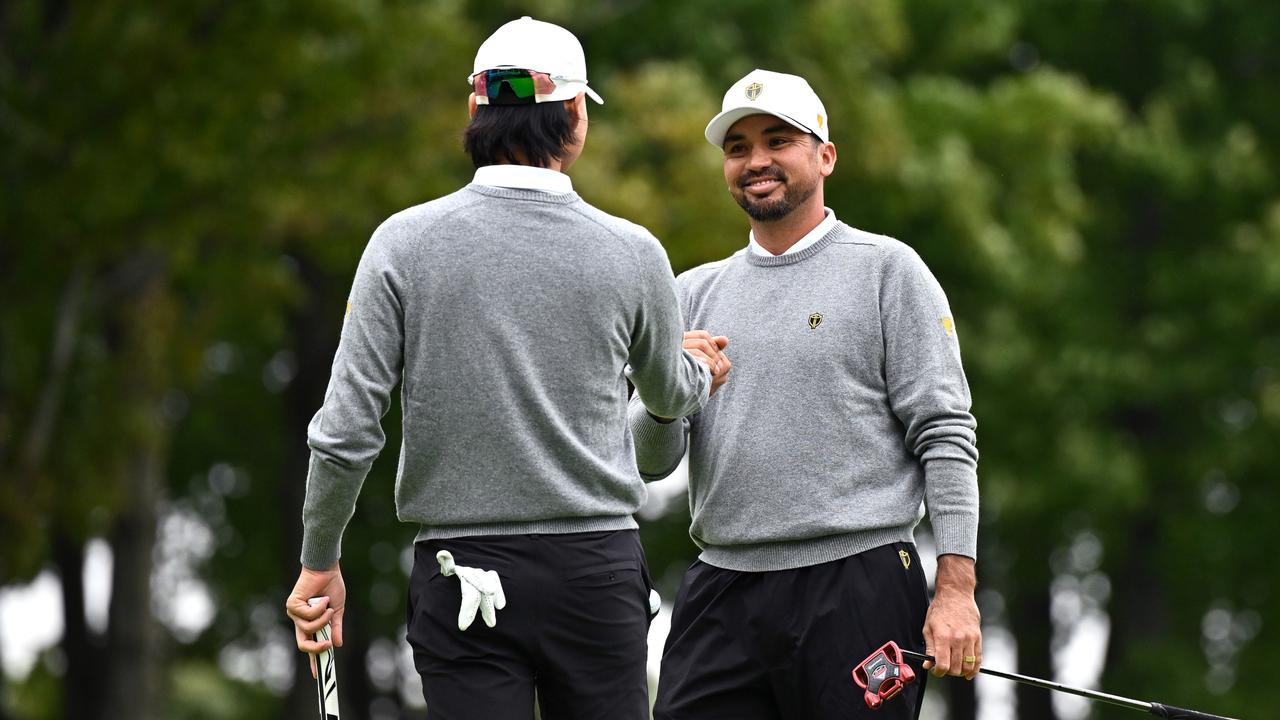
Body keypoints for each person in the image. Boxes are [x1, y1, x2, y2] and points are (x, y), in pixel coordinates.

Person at [284, 17, 722, 720]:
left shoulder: (402, 243)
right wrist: (696, 370)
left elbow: (345, 431)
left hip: (462, 572)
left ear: (474, 111)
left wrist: (319, 561)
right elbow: (668, 395)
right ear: (576, 118)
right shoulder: (633, 251)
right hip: (596, 571)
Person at [629, 69, 982, 719]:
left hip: (860, 584)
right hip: (721, 587)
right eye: (737, 148)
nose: (755, 160)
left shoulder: (886, 270)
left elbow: (946, 432)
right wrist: (663, 396)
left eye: (778, 140)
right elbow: (650, 462)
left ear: (825, 155)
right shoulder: (689, 294)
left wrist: (956, 587)